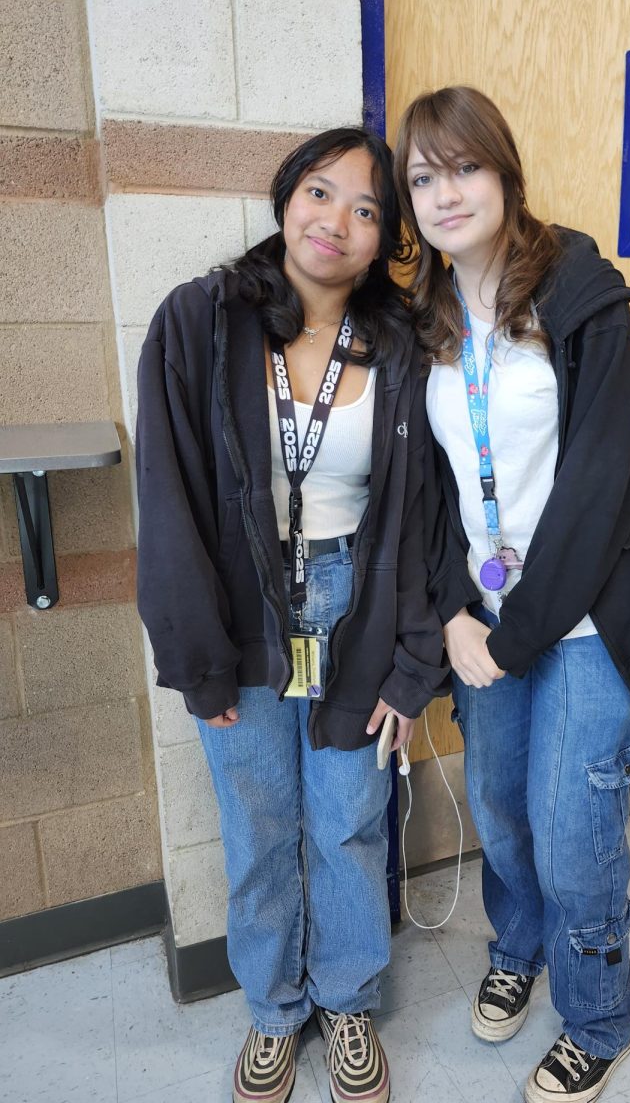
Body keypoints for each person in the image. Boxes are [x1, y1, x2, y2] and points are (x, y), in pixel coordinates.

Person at [393, 87, 630, 1103]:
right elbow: (434, 491)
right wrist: (451, 610)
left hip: (576, 621)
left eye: (464, 168)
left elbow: (609, 481)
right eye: (423, 178)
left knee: (573, 836)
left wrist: (515, 632)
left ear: (505, 171)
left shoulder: (576, 290)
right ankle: (516, 951)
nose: (446, 194)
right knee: (502, 810)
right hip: (482, 623)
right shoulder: (430, 319)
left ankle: (601, 1015)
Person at [136, 128, 447, 1103]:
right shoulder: (199, 320)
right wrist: (198, 658)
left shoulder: (399, 348)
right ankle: (273, 1010)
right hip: (238, 605)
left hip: (355, 598)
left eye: (366, 210)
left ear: (384, 241)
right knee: (259, 819)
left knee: (350, 819)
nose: (337, 222)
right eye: (322, 192)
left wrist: (411, 663)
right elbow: (168, 496)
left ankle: (348, 999)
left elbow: (427, 518)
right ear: (285, 200)